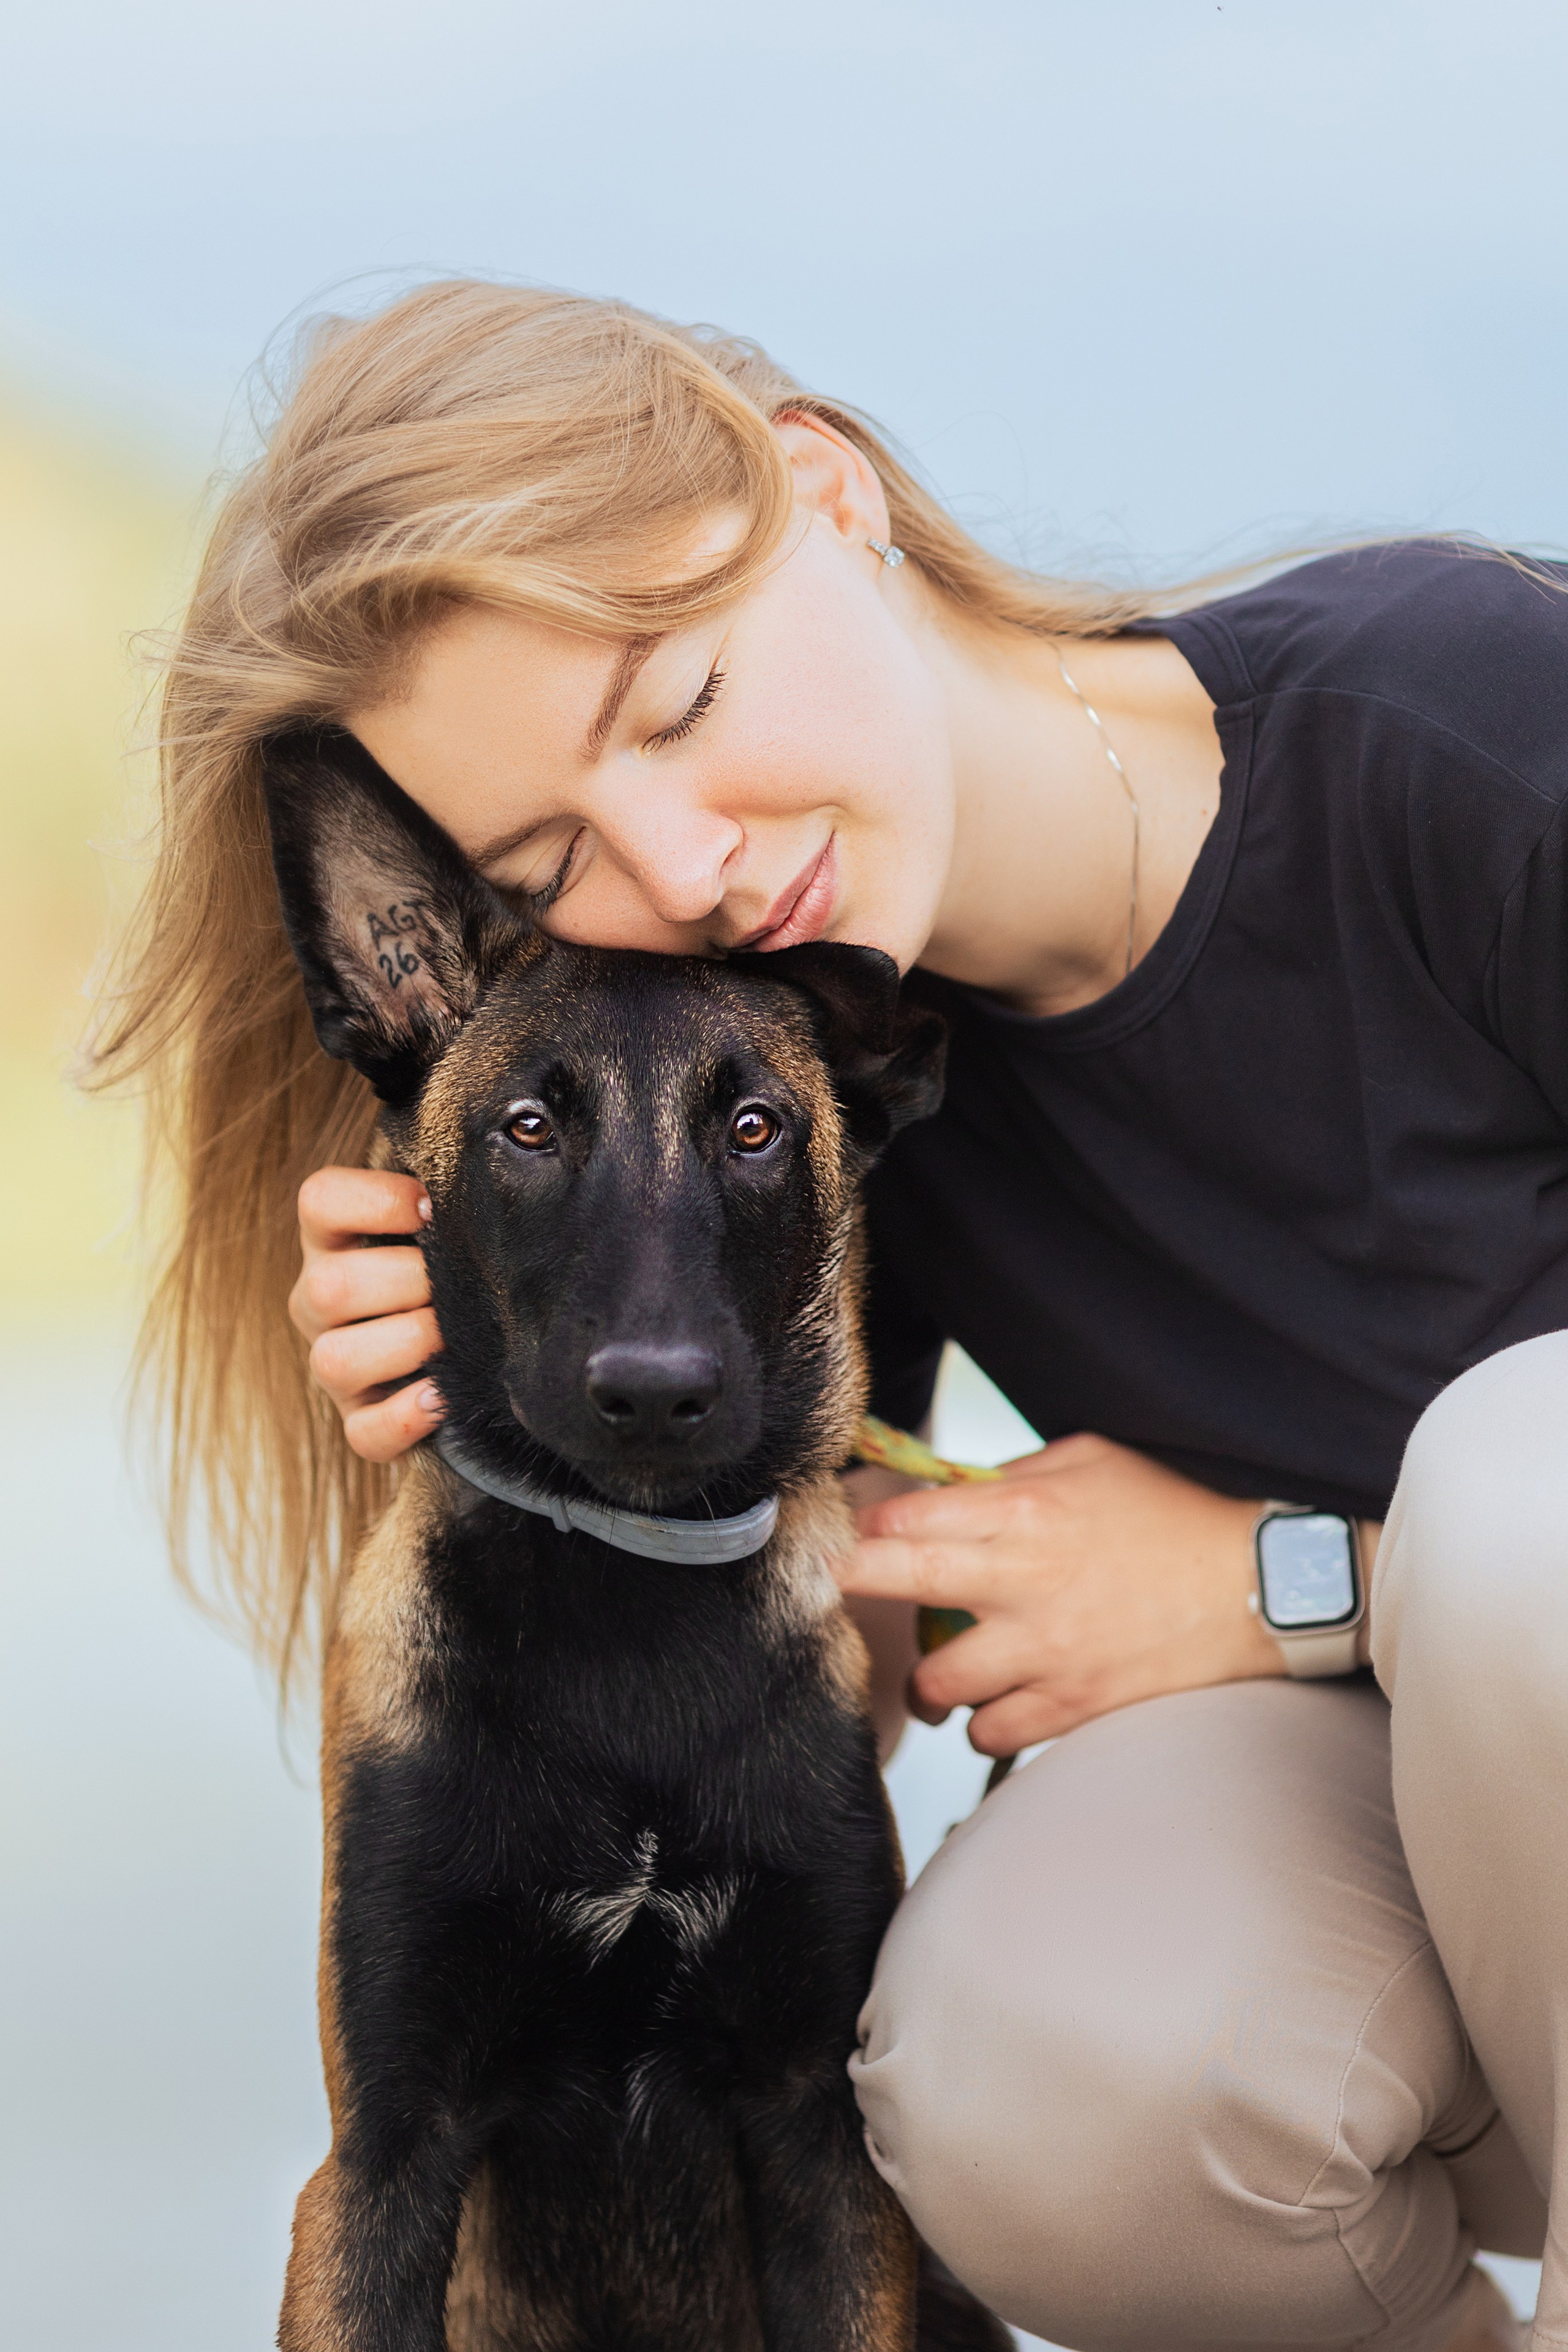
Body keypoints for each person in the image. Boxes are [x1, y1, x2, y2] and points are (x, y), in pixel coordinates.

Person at [96, 279, 1568, 2352]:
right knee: (1032, 2082)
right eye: (555, 855)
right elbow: (817, 1715)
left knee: (1528, 1501)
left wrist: (1286, 1583)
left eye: (679, 702)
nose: (688, 864)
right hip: (1424, 1880)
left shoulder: (1472, 725)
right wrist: (520, 1402)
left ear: (822, 487)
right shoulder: (797, 1100)